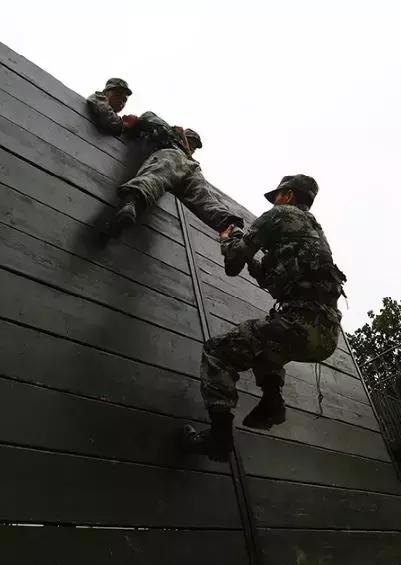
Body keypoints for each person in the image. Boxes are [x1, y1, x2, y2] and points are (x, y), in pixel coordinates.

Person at [182, 174, 347, 462]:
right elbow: (273, 280)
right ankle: (273, 401)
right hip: (325, 335)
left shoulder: (279, 215)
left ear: (290, 196)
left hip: (298, 326)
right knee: (265, 347)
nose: (275, 201)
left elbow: (232, 263)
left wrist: (230, 237)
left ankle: (219, 438)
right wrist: (254, 261)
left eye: (278, 195)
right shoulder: (311, 232)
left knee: (217, 352)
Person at [105, 111, 243, 237]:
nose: (192, 147)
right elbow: (148, 118)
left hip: (191, 169)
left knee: (204, 197)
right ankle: (131, 204)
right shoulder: (172, 136)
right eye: (190, 142)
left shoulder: (192, 160)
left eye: (194, 146)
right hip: (173, 152)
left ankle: (230, 228)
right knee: (159, 173)